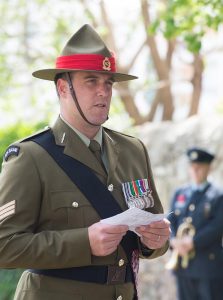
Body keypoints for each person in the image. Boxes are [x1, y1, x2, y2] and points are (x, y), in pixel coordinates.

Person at [0, 24, 170, 300]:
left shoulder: (133, 150)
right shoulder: (30, 156)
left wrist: (156, 241)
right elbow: (4, 246)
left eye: (108, 83)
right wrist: (84, 242)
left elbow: (151, 231)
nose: (103, 92)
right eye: (91, 81)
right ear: (63, 88)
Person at [167, 147, 223, 300]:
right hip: (182, 266)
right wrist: (173, 240)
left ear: (208, 168)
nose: (195, 171)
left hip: (208, 267)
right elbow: (170, 220)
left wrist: (192, 241)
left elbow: (217, 226)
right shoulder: (180, 193)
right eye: (192, 167)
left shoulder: (218, 195)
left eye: (199, 167)